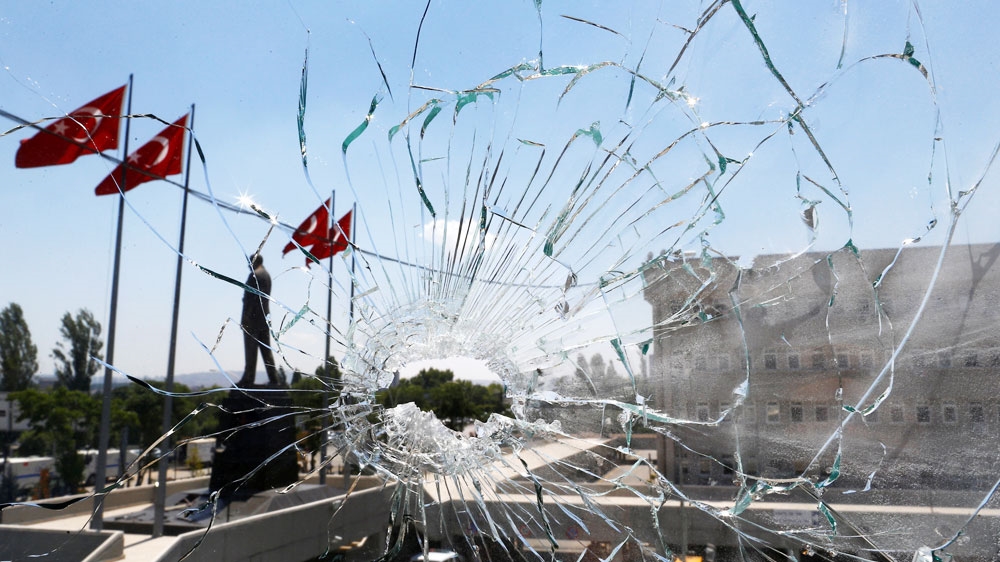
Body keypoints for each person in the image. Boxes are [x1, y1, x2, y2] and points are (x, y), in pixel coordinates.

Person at [239, 253, 279, 386]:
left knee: (251, 350)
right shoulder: (266, 275)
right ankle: (274, 379)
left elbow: (251, 299)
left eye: (250, 262)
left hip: (253, 319)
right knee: (266, 350)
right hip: (264, 318)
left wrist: (245, 317)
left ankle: (248, 378)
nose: (248, 265)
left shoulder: (255, 275)